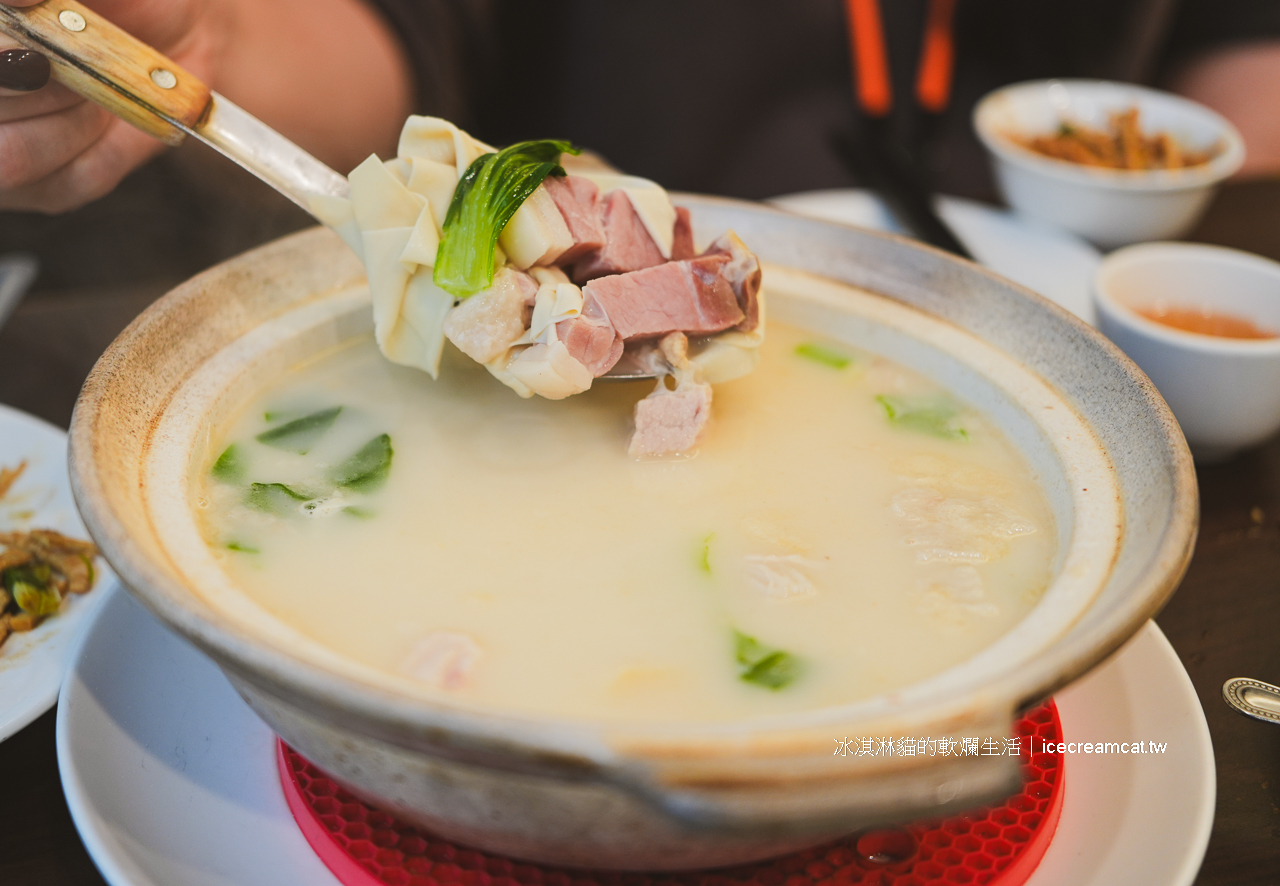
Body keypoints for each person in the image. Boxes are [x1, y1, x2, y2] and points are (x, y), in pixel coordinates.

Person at [0, 0, 1277, 217]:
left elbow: (1242, 43)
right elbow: (397, 35)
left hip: (1071, 303)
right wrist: (188, 49)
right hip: (606, 249)